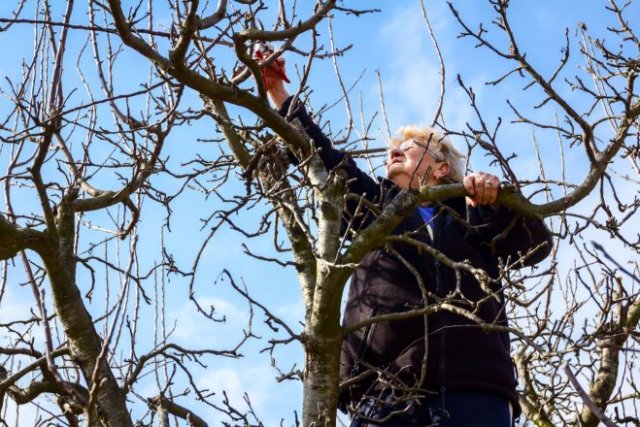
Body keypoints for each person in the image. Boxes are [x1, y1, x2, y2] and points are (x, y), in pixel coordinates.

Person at [260, 54, 552, 427]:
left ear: (441, 167)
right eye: (391, 150)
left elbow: (536, 246)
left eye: (409, 146)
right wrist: (278, 93)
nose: (393, 151)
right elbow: (320, 155)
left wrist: (498, 204)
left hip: (477, 393)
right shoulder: (375, 208)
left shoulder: (475, 214)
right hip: (384, 393)